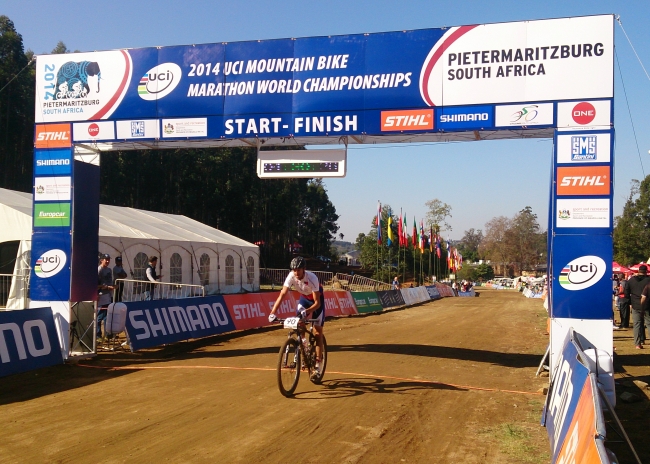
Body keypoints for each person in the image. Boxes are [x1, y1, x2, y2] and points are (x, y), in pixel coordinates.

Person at [268, 256, 325, 379]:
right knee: (299, 324)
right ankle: (304, 346)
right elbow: (282, 294)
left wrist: (307, 311)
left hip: (316, 302)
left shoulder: (312, 278)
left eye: (298, 270)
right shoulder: (291, 276)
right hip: (304, 299)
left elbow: (317, 303)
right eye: (294, 270)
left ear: (304, 269)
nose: (296, 273)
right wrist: (272, 312)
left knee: (317, 332)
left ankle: (317, 364)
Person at [626, 265, 650, 349]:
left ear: (638, 271)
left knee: (636, 324)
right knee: (649, 323)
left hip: (635, 304)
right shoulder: (648, 280)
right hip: (647, 304)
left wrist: (630, 303)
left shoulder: (631, 280)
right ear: (646, 271)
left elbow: (626, 293)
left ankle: (637, 343)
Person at [97, 254, 114, 339]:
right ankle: (98, 335)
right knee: (99, 316)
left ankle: (107, 334)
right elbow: (95, 284)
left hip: (108, 295)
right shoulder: (99, 270)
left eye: (108, 259)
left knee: (107, 315)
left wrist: (113, 286)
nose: (107, 261)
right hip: (101, 295)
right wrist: (106, 287)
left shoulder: (109, 270)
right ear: (101, 260)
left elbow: (109, 281)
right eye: (106, 259)